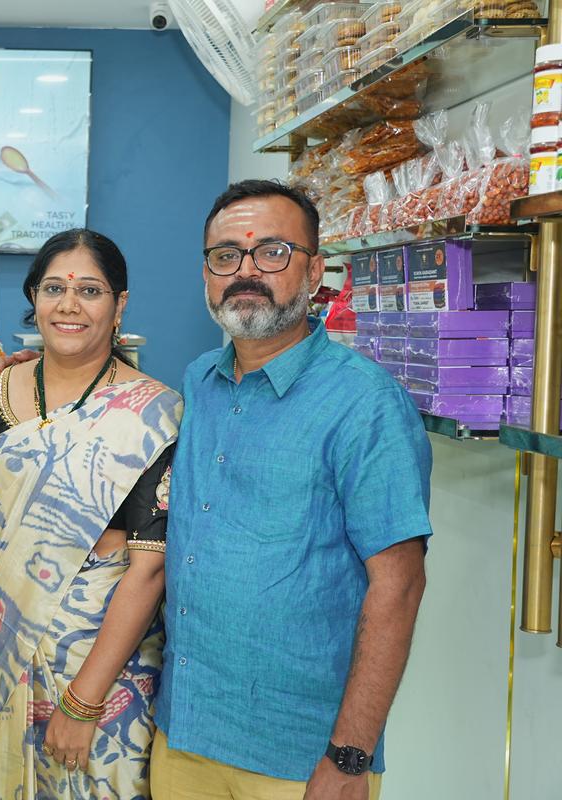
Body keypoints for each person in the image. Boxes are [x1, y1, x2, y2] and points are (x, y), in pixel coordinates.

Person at [151, 180, 431, 800]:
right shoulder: (200, 380)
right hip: (184, 734)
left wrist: (350, 757)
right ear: (206, 274)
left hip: (299, 758)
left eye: (272, 252)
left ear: (315, 270)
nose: (245, 272)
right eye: (226, 256)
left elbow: (400, 584)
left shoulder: (366, 404)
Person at [0, 228, 182, 799]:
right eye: (54, 287)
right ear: (34, 297)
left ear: (119, 303)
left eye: (90, 290)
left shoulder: (154, 412)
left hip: (101, 673)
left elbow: (149, 568)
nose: (70, 304)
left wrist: (84, 701)